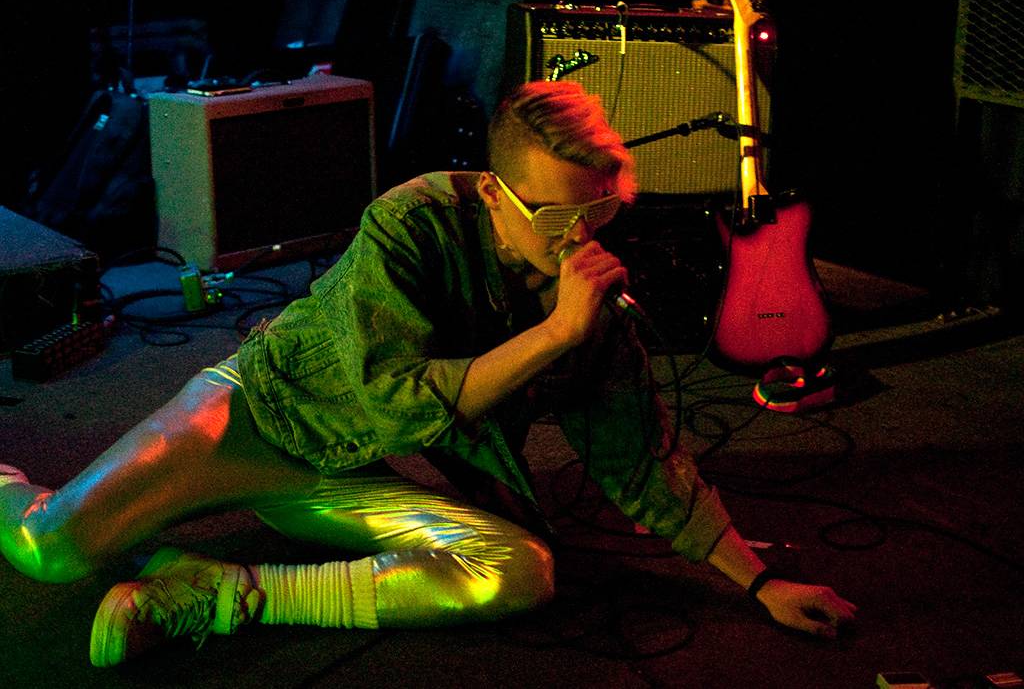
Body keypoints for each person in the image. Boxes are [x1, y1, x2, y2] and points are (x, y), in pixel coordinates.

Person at [0, 80, 856, 668]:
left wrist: (761, 582)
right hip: (260, 415)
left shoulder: (585, 300)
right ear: (492, 195)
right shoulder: (410, 223)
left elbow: (642, 459)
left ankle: (227, 592)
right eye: (555, 216)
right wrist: (557, 333)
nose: (580, 238)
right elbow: (399, 395)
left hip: (347, 468)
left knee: (520, 571)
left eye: (600, 210)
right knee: (51, 547)